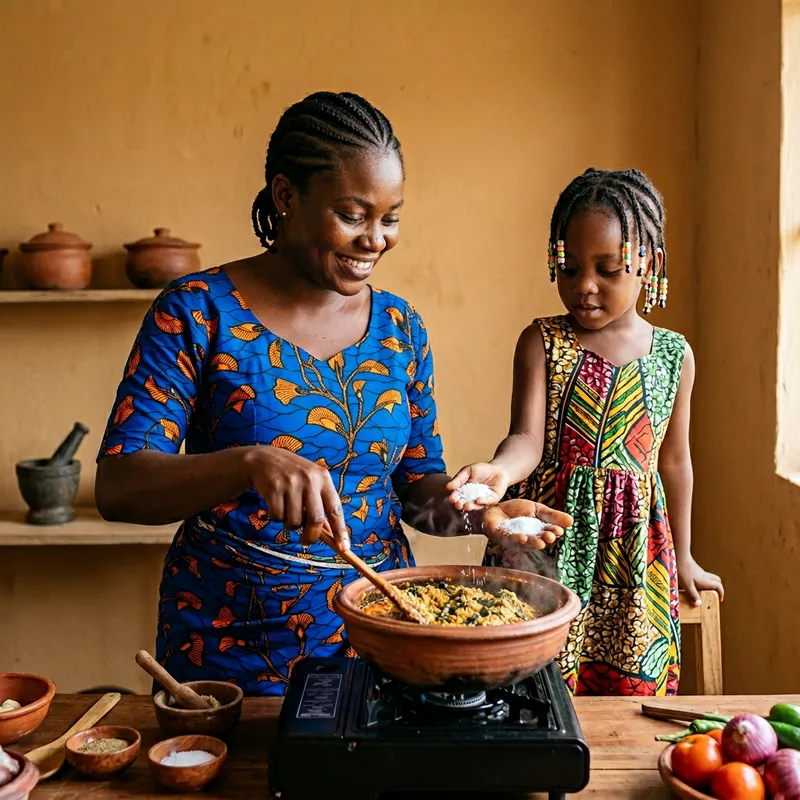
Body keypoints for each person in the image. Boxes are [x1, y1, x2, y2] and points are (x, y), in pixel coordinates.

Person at [94, 91, 572, 695]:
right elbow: (120, 486)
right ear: (286, 196)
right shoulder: (197, 311)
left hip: (384, 637)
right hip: (231, 649)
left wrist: (479, 515)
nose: (376, 239)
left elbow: (415, 490)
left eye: (390, 218)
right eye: (353, 215)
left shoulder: (400, 328)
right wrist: (248, 463)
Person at [446, 168, 724, 697]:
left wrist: (685, 555)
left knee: (627, 695)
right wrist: (499, 472)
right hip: (546, 542)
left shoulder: (674, 355)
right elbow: (526, 440)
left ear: (649, 265)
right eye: (569, 268)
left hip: (634, 556)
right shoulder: (542, 342)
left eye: (607, 270)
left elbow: (673, 461)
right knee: (528, 686)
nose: (584, 286)